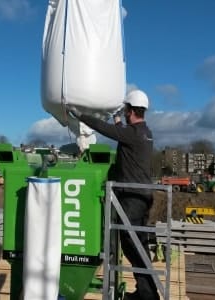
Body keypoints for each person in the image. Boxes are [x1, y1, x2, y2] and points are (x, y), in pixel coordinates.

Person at [67, 90, 158, 300]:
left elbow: (105, 129)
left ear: (132, 110)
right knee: (138, 245)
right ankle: (147, 292)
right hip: (142, 196)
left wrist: (79, 115)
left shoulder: (133, 134)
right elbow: (121, 133)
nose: (125, 113)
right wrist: (118, 120)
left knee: (133, 246)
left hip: (132, 197)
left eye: (126, 111)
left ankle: (148, 295)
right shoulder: (144, 132)